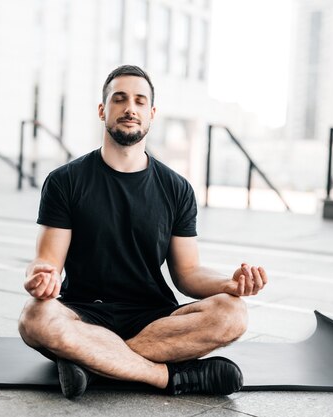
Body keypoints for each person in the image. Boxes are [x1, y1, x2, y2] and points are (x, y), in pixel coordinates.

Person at [19, 65, 268, 399]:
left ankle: (93, 365)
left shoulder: (177, 188)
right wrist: (40, 277)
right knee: (34, 317)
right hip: (84, 312)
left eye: (139, 101)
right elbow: (46, 261)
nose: (129, 108)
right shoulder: (65, 181)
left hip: (154, 317)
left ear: (151, 114)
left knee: (233, 312)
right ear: (102, 110)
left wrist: (228, 284)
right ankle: (166, 377)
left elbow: (188, 273)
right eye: (119, 99)